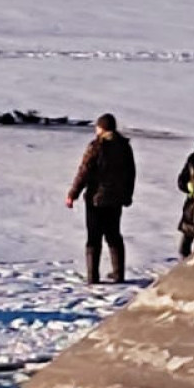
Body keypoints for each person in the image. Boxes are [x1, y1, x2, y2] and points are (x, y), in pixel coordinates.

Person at [65, 113, 135, 284]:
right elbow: (131, 174)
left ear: (101, 128)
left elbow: (84, 172)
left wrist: (72, 194)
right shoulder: (124, 147)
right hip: (115, 199)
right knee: (114, 235)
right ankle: (119, 274)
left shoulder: (96, 146)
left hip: (96, 199)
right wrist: (127, 195)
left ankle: (93, 276)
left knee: (94, 237)